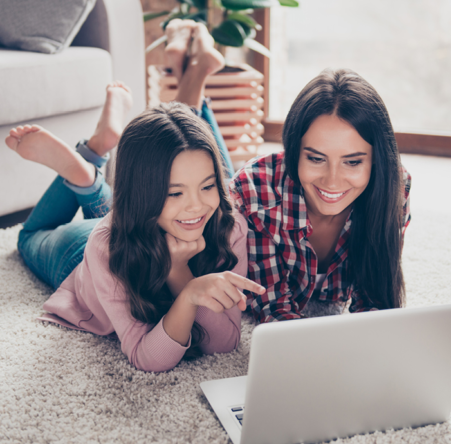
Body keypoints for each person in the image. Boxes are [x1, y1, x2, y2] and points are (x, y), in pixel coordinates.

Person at [5, 20, 264, 372]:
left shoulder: (229, 225)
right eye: (175, 192)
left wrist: (180, 274)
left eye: (208, 186)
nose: (197, 205)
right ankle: (88, 164)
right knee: (29, 237)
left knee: (177, 164)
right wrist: (187, 289)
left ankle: (91, 169)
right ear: (145, 195)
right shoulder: (104, 247)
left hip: (137, 215)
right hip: (83, 257)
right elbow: (145, 357)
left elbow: (225, 343)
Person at [229, 68, 411, 323]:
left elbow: (377, 302)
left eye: (353, 162)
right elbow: (272, 306)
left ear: (376, 161)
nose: (332, 181)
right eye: (316, 159)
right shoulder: (255, 189)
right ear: (294, 150)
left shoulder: (393, 189)